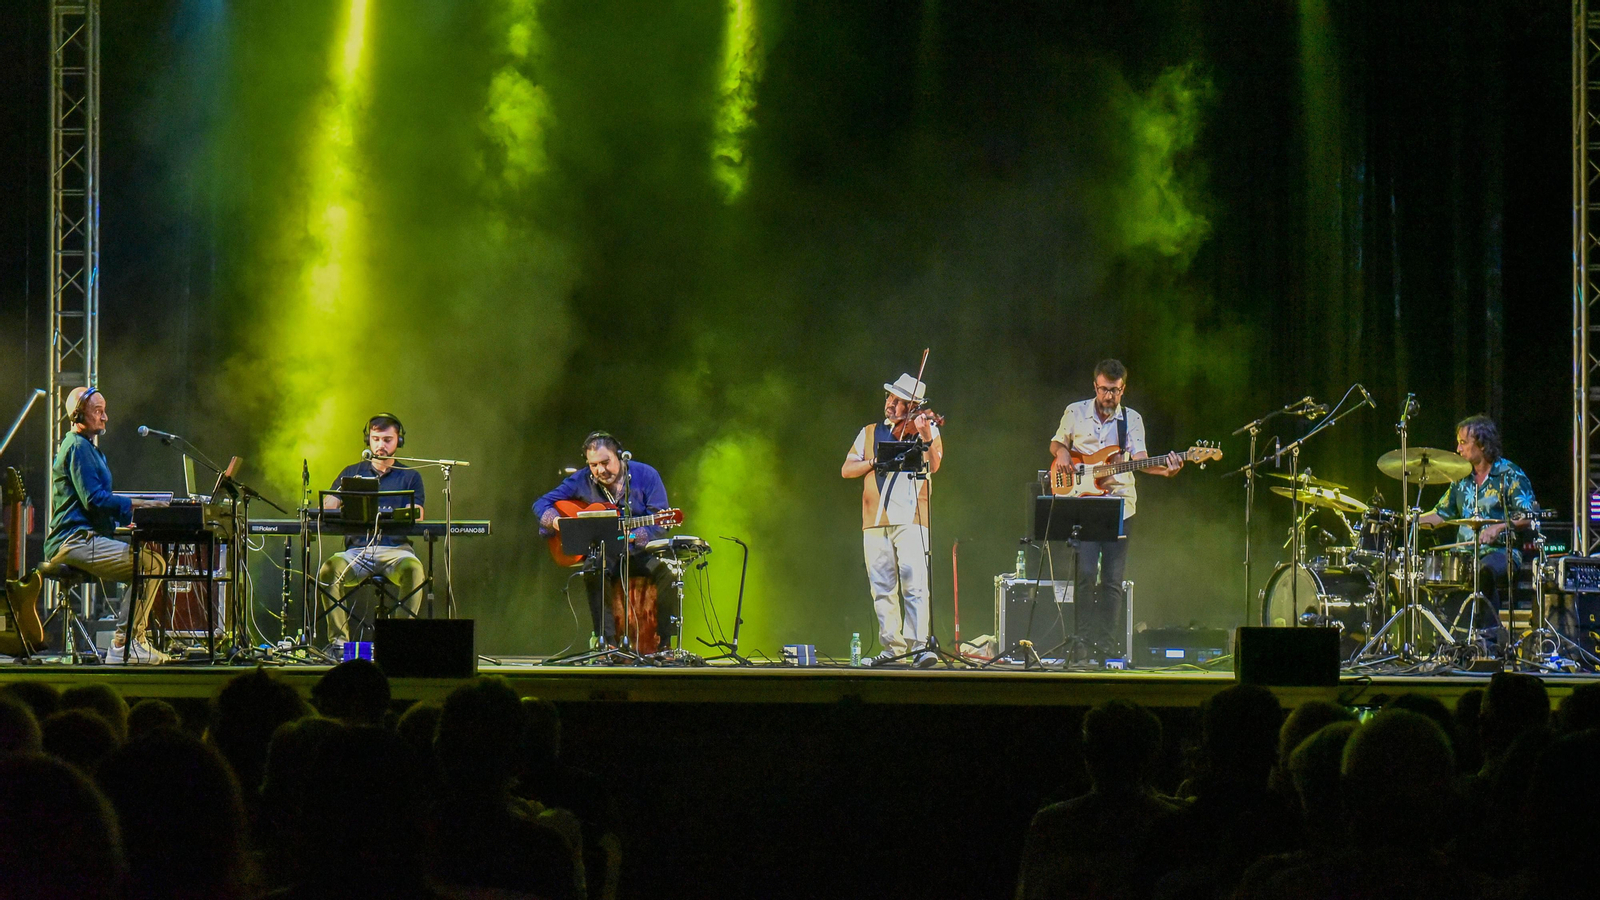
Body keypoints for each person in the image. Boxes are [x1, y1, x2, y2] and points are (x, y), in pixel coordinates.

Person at [1048, 360, 1183, 656]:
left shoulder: (1131, 420)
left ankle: (1106, 646)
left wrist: (1166, 471)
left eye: (1116, 391)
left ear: (1124, 389)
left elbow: (1142, 459)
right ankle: (1082, 643)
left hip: (1120, 504)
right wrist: (1062, 457)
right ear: (1095, 386)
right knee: (1084, 574)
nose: (1109, 396)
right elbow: (1057, 443)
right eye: (1105, 390)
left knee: (1112, 579)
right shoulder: (1075, 411)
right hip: (1082, 502)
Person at [42, 387, 170, 664]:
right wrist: (139, 505)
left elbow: (99, 503)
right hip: (73, 541)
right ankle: (125, 644)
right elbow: (94, 499)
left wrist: (134, 514)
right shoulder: (77, 447)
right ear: (78, 415)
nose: (105, 417)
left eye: (104, 410)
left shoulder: (87, 448)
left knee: (149, 563)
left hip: (82, 537)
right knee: (151, 565)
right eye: (98, 411)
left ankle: (131, 641)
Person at [535, 432, 681, 652]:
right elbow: (541, 503)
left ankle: (665, 644)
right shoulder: (582, 479)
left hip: (637, 553)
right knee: (594, 570)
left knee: (667, 575)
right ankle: (607, 643)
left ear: (620, 457)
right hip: (605, 555)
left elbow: (660, 522)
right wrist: (557, 522)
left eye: (605, 462)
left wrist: (635, 535)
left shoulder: (647, 475)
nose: (600, 471)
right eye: (593, 465)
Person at [842, 374, 944, 667]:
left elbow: (934, 464)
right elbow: (847, 469)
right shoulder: (871, 432)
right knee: (882, 587)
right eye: (890, 398)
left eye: (899, 401)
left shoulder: (926, 429)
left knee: (915, 583)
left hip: (912, 517)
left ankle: (919, 646)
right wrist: (873, 462)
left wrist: (924, 433)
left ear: (913, 406)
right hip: (873, 519)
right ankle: (893, 648)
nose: (891, 404)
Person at [1416, 415, 1534, 645]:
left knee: (1484, 570)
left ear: (1481, 443)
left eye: (1463, 442)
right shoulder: (1461, 478)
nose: (1457, 448)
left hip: (1502, 553)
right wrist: (1410, 519)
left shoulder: (1509, 474)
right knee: (1430, 573)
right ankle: (1453, 641)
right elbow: (1442, 514)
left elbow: (1527, 515)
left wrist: (1499, 527)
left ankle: (1489, 639)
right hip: (1466, 554)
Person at [315, 413, 426, 648]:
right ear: (368, 441)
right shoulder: (351, 471)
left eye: (387, 439)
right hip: (357, 551)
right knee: (328, 571)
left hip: (396, 551)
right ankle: (339, 645)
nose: (381, 445)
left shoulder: (410, 476)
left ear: (399, 441)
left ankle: (398, 644)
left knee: (415, 571)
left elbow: (417, 513)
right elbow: (328, 506)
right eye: (376, 439)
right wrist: (338, 499)